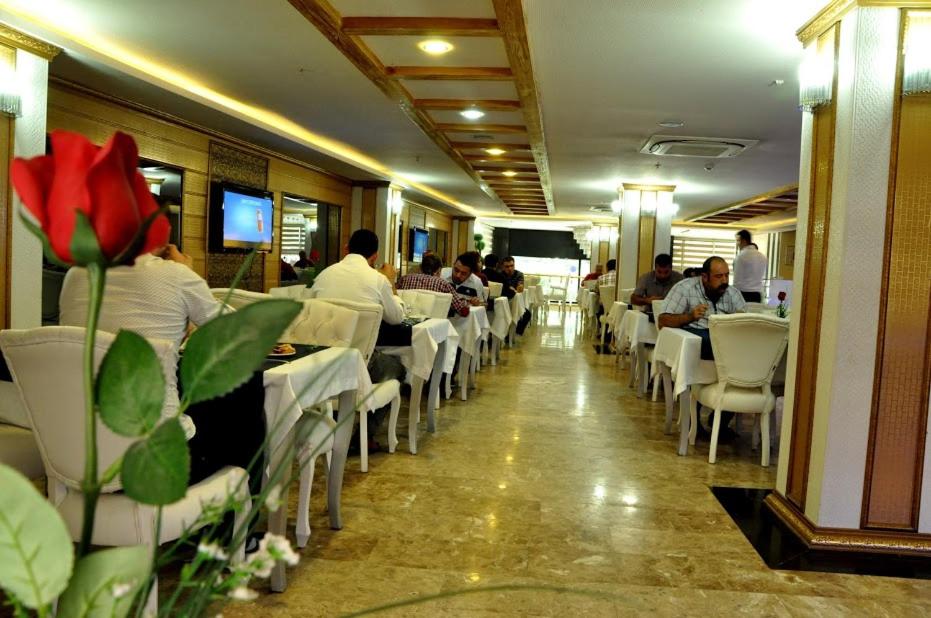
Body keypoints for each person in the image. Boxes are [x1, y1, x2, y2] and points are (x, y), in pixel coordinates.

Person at [59, 240, 269, 493]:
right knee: (247, 387)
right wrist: (188, 273)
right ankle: (239, 509)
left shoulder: (75, 275)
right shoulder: (175, 275)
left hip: (77, 454)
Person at [310, 229, 406, 453]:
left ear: (346, 248)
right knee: (398, 369)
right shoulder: (378, 280)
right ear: (375, 256)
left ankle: (334, 426)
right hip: (360, 362)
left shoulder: (323, 275)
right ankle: (365, 437)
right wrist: (391, 282)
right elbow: (396, 318)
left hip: (322, 362)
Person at [658, 256, 746, 441]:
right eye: (719, 276)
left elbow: (744, 323)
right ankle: (693, 421)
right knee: (700, 356)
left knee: (748, 361)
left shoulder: (732, 294)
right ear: (704, 277)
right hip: (699, 348)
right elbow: (663, 320)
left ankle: (720, 422)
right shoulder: (684, 289)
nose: (724, 281)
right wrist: (689, 316)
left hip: (728, 351)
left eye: (727, 275)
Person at [398, 254, 471, 317]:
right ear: (438, 270)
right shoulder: (443, 284)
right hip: (433, 324)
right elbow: (463, 311)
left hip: (406, 321)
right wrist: (465, 302)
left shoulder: (404, 279)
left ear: (421, 267)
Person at [733, 229, 768, 303]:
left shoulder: (740, 257)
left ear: (743, 241)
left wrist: (733, 296)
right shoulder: (762, 257)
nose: (737, 244)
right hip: (757, 295)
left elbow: (737, 281)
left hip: (743, 295)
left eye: (738, 241)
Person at [501, 256, 532, 334]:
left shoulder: (519, 274)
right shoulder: (500, 275)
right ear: (503, 267)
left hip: (514, 302)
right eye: (507, 266)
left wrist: (519, 286)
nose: (510, 268)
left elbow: (519, 290)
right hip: (502, 302)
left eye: (512, 266)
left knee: (527, 314)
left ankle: (515, 333)